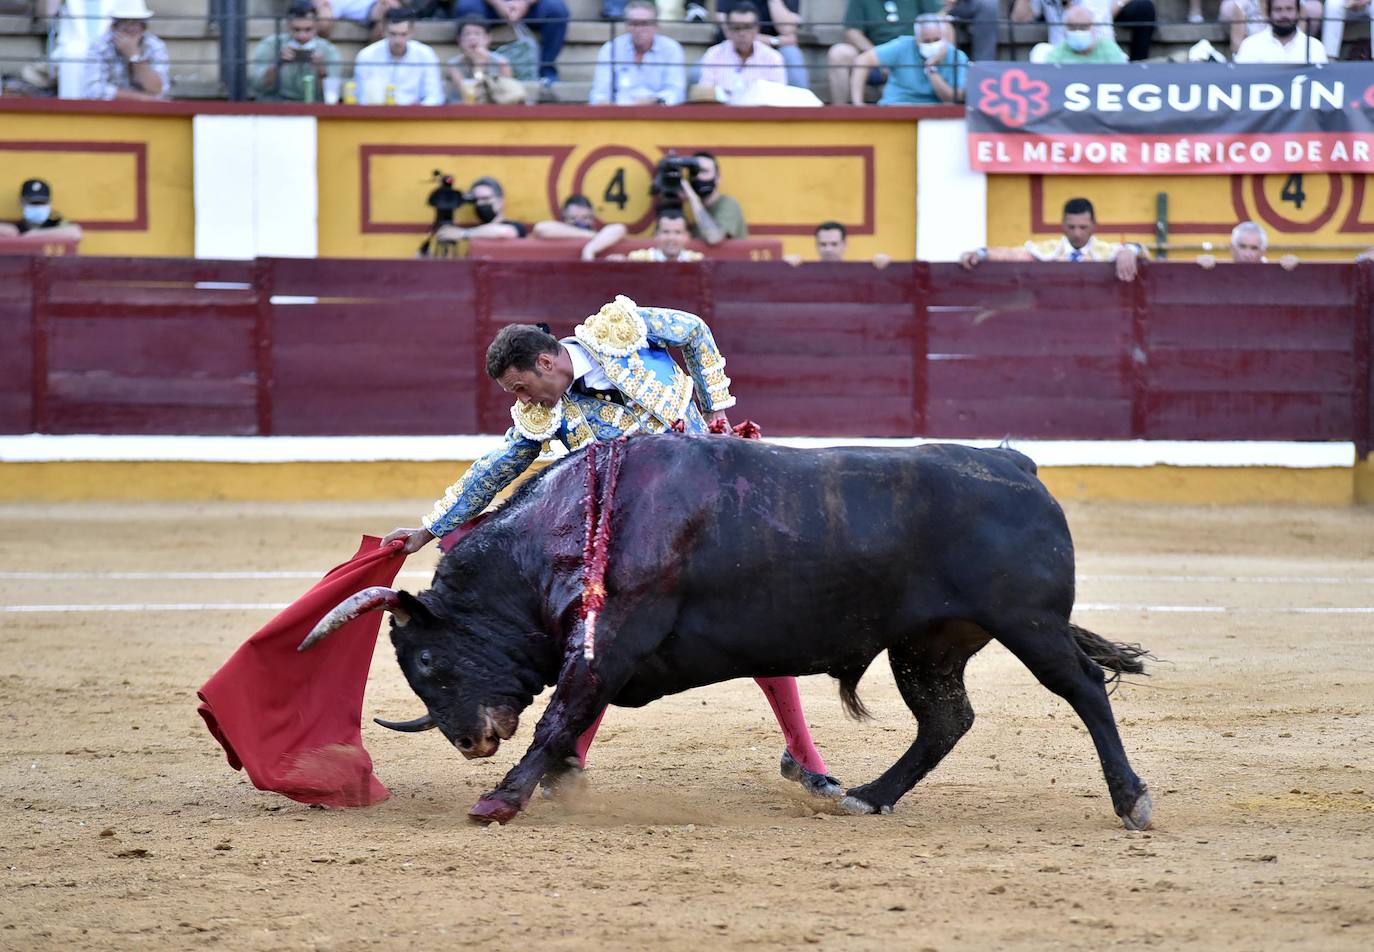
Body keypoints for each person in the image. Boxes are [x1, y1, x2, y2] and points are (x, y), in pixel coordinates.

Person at [379, 301, 842, 798]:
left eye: (520, 386)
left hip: (712, 511)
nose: (521, 399)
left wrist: (716, 410)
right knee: (603, 634)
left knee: (754, 624)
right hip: (637, 535)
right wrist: (429, 530)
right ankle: (570, 757)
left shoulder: (619, 331)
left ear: (545, 364)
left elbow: (694, 330)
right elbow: (496, 468)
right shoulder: (542, 413)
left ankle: (801, 755)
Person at [958, 197, 1144, 283]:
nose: (1077, 233)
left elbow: (1148, 255)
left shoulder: (1108, 251)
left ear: (1094, 225)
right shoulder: (1048, 250)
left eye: (1083, 227)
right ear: (1062, 225)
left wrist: (1131, 250)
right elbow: (1011, 253)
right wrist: (980, 253)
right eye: (1071, 227)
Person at [827, 0, 939, 106]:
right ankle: (841, 114)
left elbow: (939, 21)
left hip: (915, 56)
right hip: (873, 60)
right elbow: (852, 31)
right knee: (839, 53)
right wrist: (878, 56)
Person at [849, 13, 967, 106]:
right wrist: (858, 103)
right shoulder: (903, 45)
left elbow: (954, 98)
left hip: (935, 113)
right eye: (926, 41)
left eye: (936, 40)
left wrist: (932, 70)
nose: (931, 44)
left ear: (944, 38)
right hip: (897, 106)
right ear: (916, 39)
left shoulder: (957, 56)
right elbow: (862, 60)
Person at [589, 0, 687, 105]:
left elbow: (676, 91)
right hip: (618, 114)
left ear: (656, 26)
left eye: (645, 24)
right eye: (634, 24)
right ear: (626, 26)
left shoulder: (671, 48)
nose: (639, 29)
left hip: (658, 113)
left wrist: (655, 102)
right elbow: (599, 93)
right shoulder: (611, 49)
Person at [452, 0, 571, 85]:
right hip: (489, 5)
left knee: (557, 9)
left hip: (530, 6)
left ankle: (546, 70)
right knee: (466, 6)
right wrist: (498, 3)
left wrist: (524, 2)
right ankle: (474, 67)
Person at [250, 3, 343, 101]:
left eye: (308, 29)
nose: (302, 36)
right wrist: (278, 65)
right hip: (278, 104)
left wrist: (321, 70)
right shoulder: (270, 44)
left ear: (316, 26)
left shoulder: (329, 50)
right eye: (296, 30)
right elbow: (257, 86)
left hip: (314, 106)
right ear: (288, 25)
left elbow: (332, 95)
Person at [352, 7, 445, 105]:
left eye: (403, 34)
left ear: (412, 32)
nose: (397, 41)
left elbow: (434, 96)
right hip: (377, 115)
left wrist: (419, 110)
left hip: (416, 117)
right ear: (383, 31)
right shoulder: (367, 55)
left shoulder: (426, 55)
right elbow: (361, 98)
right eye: (393, 34)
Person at [696, 2, 787, 101]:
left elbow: (778, 99)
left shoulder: (772, 58)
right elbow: (704, 96)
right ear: (728, 29)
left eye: (747, 27)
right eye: (736, 28)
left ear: (757, 28)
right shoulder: (713, 55)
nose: (742, 33)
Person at [1012, 0, 1156, 62]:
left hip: (1099, 55)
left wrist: (1114, 8)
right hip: (1061, 55)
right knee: (1040, 51)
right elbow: (1019, 19)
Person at [80, 0, 169, 101]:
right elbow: (94, 91)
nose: (131, 27)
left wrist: (134, 56)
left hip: (145, 112)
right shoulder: (100, 46)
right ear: (114, 26)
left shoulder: (154, 46)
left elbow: (158, 89)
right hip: (109, 111)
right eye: (125, 22)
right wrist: (142, 98)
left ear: (144, 27)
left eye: (136, 22)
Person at [714, 0, 807, 88]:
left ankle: (800, 103)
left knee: (791, 54)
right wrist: (775, 41)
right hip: (734, 47)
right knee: (700, 71)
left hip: (775, 51)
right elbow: (730, 31)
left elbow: (787, 30)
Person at [445, 15, 524, 103]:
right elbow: (472, 96)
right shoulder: (453, 65)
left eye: (477, 34)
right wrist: (479, 65)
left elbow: (507, 95)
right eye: (467, 34)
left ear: (487, 38)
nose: (472, 38)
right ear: (459, 40)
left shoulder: (501, 63)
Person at [679, 151, 747, 246]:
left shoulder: (729, 204)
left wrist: (692, 198)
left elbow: (714, 237)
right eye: (694, 172)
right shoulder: (695, 209)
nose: (698, 176)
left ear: (717, 178)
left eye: (704, 171)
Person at [531, 195, 629, 259]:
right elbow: (540, 228)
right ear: (564, 219)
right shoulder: (594, 235)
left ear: (593, 219)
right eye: (573, 218)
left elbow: (619, 228)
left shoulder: (602, 238)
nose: (579, 222)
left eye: (585, 218)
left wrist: (590, 250)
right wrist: (588, 235)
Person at [435, 176, 530, 242]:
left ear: (500, 201)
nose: (480, 204)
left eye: (485, 199)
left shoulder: (516, 226)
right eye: (476, 200)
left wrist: (463, 234)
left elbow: (505, 232)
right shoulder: (477, 231)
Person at [1234, 0, 1328, 62]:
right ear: (1268, 13)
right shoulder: (1251, 45)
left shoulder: (1315, 47)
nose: (1284, 15)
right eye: (1278, 10)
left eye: (1289, 9)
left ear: (1298, 13)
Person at [0, 179, 84, 244]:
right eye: (33, 203)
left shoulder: (56, 223)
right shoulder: (17, 228)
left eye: (42, 202)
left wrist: (30, 235)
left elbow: (75, 233)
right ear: (21, 202)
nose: (38, 206)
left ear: (50, 203)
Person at [783, 220, 891, 267]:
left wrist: (882, 267)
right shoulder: (804, 271)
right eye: (823, 244)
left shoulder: (859, 273)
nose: (828, 249)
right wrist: (784, 267)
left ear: (845, 245)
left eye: (834, 244)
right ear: (816, 246)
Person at [1197, 221, 1299, 270]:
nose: (1247, 254)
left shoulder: (1275, 272)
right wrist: (1201, 264)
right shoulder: (1217, 267)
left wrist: (1296, 265)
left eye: (1254, 248)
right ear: (1232, 249)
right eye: (1242, 247)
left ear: (1263, 252)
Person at [1043, 4, 1128, 62]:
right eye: (1072, 27)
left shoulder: (1108, 49)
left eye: (1083, 27)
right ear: (1065, 30)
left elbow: (1122, 75)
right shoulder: (1059, 52)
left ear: (1093, 28)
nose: (1078, 31)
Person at [624, 209, 704, 261]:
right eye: (666, 232)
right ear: (656, 235)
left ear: (686, 236)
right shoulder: (638, 260)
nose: (671, 238)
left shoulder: (696, 261)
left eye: (677, 232)